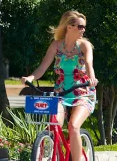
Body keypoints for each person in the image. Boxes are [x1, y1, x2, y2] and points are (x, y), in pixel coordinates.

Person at [23, 10, 98, 161]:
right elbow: (43, 67)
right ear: (69, 27)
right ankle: (51, 155)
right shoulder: (56, 46)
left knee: (73, 126)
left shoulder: (84, 46)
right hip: (60, 94)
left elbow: (89, 64)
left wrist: (92, 78)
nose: (83, 30)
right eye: (80, 26)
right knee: (53, 124)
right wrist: (30, 77)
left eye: (84, 27)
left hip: (83, 92)